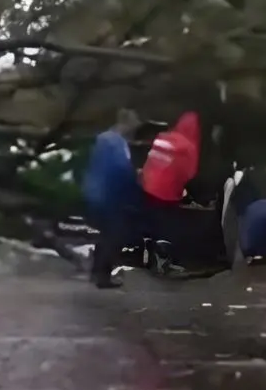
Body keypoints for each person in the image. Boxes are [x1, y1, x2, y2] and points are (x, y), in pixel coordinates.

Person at [81, 108, 142, 289]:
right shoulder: (116, 143)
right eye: (133, 125)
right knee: (114, 236)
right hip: (110, 195)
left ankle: (96, 271)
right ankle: (103, 277)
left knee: (105, 234)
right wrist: (135, 179)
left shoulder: (103, 139)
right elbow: (120, 169)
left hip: (96, 192)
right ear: (126, 123)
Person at [139, 112, 203, 270]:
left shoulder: (162, 137)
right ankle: (163, 262)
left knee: (151, 221)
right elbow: (190, 174)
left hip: (148, 186)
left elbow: (151, 160)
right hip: (167, 191)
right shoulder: (188, 146)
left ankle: (147, 252)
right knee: (167, 227)